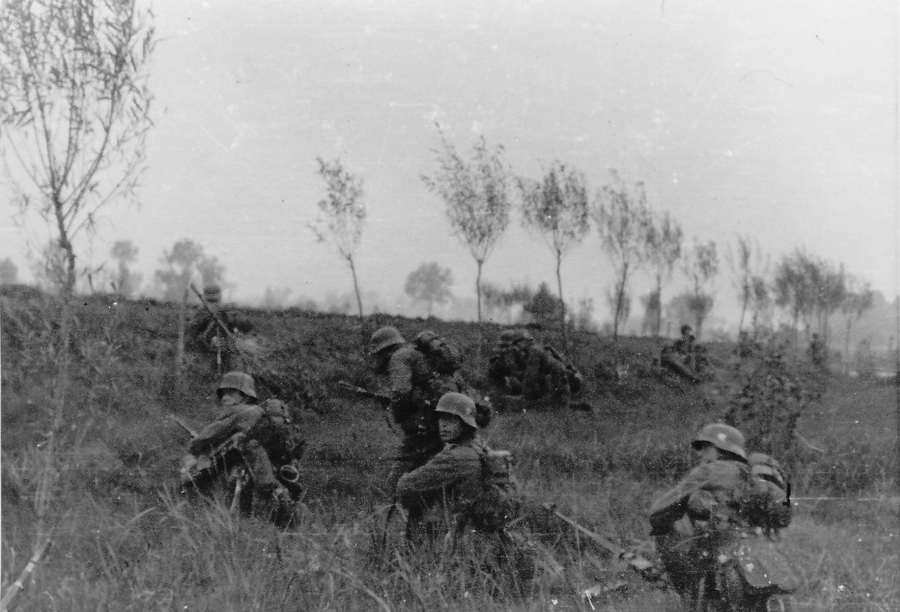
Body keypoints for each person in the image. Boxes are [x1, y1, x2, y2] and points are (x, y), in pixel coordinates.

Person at [649, 424, 797, 611]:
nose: (701, 454)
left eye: (705, 447)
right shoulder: (753, 476)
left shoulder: (710, 471)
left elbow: (659, 509)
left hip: (723, 554)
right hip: (761, 554)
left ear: (717, 448)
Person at [396, 393, 529, 583]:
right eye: (441, 418)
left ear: (465, 424)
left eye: (451, 420)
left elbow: (406, 487)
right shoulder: (479, 447)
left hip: (463, 536)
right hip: (484, 534)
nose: (443, 425)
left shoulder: (455, 457)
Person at [370, 326, 485, 492]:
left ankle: (392, 504)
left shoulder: (399, 357)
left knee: (400, 473)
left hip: (425, 422)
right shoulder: (419, 354)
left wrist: (399, 415)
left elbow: (401, 392)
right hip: (447, 415)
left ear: (383, 350)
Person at [187, 371, 304, 512]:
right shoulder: (259, 412)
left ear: (245, 395)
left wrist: (194, 446)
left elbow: (213, 432)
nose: (224, 398)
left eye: (231, 392)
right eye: (223, 393)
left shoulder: (240, 410)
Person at [487, 329, 581, 404]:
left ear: (522, 342)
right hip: (556, 377)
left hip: (560, 379)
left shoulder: (533, 351)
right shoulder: (531, 350)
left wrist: (525, 396)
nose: (515, 347)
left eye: (516, 344)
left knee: (554, 404)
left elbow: (531, 374)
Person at [187, 284, 253, 374]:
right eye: (210, 301)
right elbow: (192, 332)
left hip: (226, 352)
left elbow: (246, 327)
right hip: (206, 353)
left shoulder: (227, 312)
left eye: (214, 300)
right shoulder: (201, 313)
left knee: (228, 377)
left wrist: (234, 316)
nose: (213, 304)